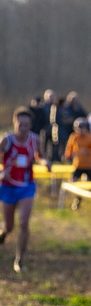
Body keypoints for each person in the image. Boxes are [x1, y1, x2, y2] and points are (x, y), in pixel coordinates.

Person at [1, 107, 41, 273]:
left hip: (26, 186)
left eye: (27, 124)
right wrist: (1, 172)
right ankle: (3, 233)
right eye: (20, 124)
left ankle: (19, 259)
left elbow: (40, 156)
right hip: (8, 186)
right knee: (9, 226)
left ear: (31, 124)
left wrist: (45, 162)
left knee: (24, 222)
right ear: (14, 123)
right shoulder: (6, 140)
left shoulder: (35, 139)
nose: (23, 128)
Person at [65, 118, 91, 189]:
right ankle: (76, 196)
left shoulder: (90, 137)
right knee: (73, 183)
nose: (80, 130)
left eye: (82, 128)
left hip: (89, 166)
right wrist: (67, 156)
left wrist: (88, 151)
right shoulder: (74, 137)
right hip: (78, 165)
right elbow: (69, 147)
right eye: (78, 128)